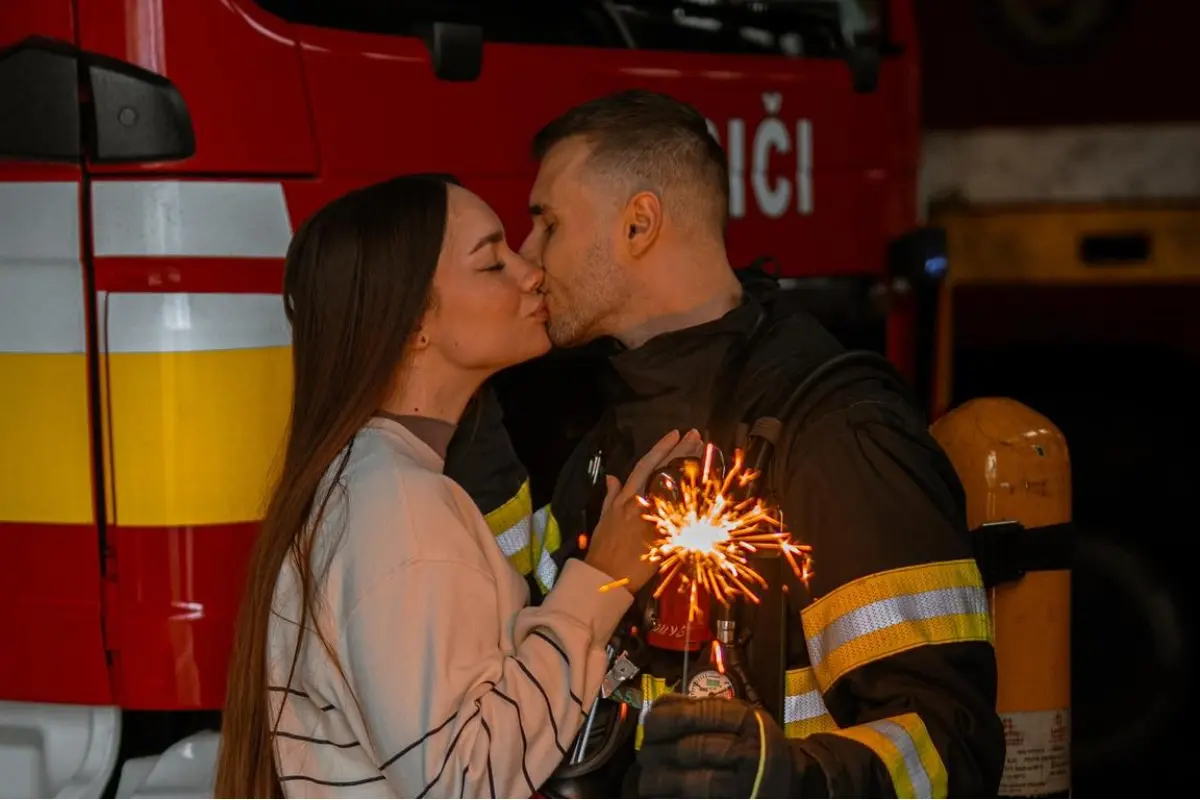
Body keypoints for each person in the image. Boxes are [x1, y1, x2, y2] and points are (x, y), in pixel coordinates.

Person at [444, 91, 1005, 798]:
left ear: (638, 224)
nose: (528, 260)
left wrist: (784, 780)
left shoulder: (833, 432)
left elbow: (949, 746)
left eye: (547, 223)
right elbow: (532, 624)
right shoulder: (611, 433)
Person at [213, 174, 697, 798]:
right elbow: (462, 781)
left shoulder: (373, 483)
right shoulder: (402, 508)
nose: (531, 273)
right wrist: (600, 582)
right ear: (414, 324)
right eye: (492, 262)